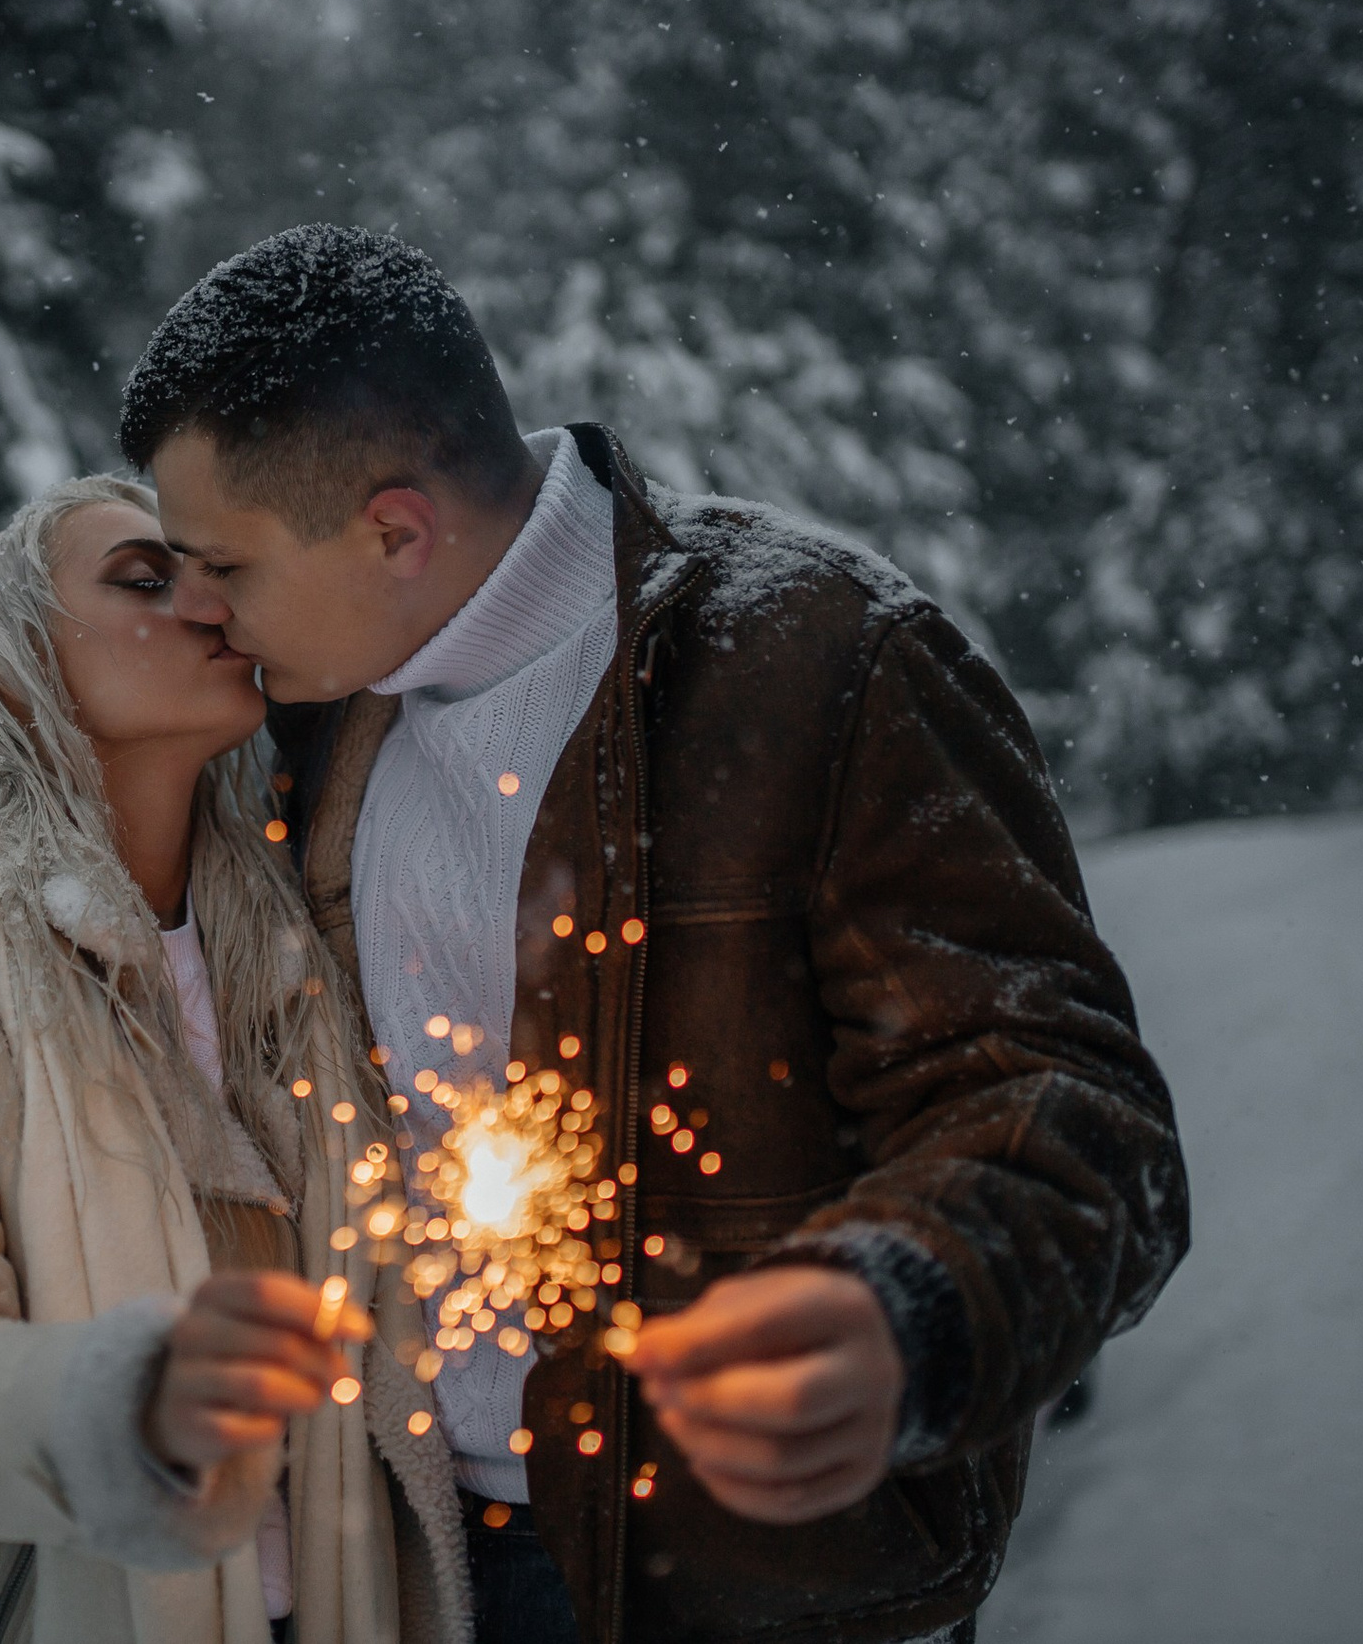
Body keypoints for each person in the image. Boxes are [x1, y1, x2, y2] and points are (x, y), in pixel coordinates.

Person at [120, 225, 1192, 1644]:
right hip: (403, 1552)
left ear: (393, 529)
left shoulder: (824, 664)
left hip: (746, 1582)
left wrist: (908, 1306)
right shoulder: (304, 719)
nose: (200, 607)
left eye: (224, 564)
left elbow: (1074, 1109)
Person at [0, 476, 471, 1644]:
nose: (205, 603)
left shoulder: (303, 959)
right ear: (8, 669)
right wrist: (126, 1402)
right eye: (144, 579)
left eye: (211, 570)